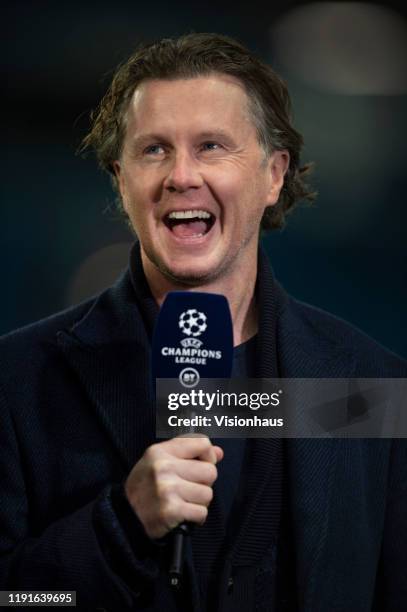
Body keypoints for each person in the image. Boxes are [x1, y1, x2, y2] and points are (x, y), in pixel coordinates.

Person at [0, 33, 405, 612]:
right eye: (154, 150)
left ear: (274, 174)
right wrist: (121, 527)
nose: (181, 175)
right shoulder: (17, 382)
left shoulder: (372, 384)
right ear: (120, 178)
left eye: (212, 146)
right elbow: (17, 598)